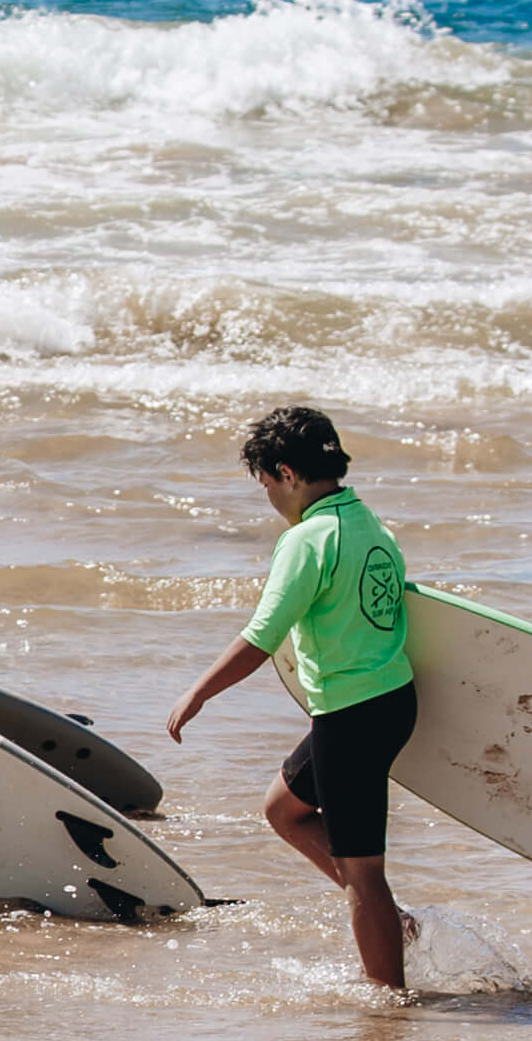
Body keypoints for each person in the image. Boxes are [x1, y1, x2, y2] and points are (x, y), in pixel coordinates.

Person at [168, 398, 417, 989]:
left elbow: (262, 637)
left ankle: (389, 1003)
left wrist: (198, 694)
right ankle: (392, 918)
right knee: (284, 809)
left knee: (363, 870)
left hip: (350, 718)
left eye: (266, 485)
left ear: (286, 473)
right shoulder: (370, 525)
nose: (270, 499)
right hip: (392, 700)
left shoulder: (308, 540)